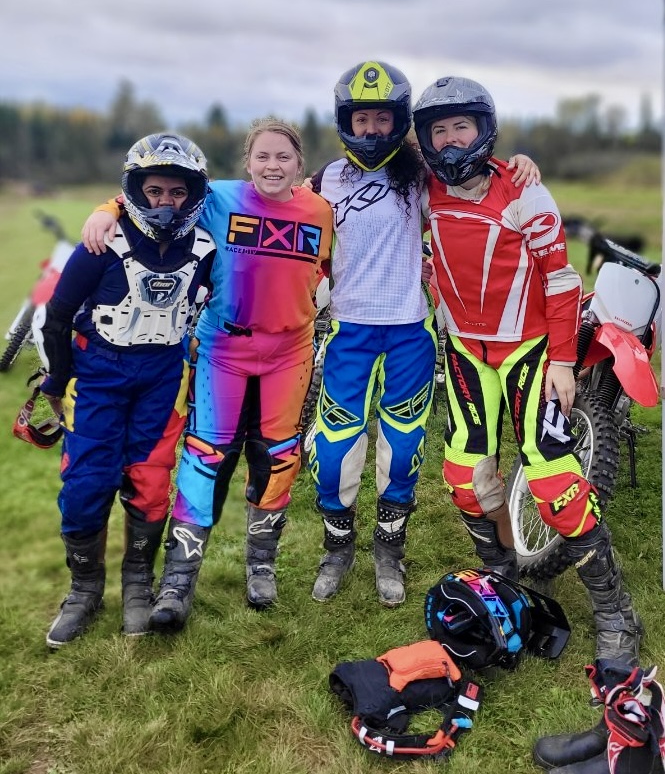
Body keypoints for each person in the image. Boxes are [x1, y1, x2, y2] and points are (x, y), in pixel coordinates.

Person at [412, 77, 641, 671]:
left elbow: (563, 282)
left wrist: (564, 359)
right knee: (464, 476)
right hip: (466, 347)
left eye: (461, 125)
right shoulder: (423, 187)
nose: (450, 138)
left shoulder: (525, 193)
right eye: (438, 129)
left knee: (554, 484)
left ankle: (616, 612)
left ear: (483, 127)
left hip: (530, 350)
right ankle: (502, 578)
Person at [81, 119, 333, 625]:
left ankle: (261, 567)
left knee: (280, 457)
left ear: (299, 165)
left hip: (290, 351)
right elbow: (155, 194)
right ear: (247, 162)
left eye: (283, 157)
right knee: (204, 456)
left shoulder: (320, 211)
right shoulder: (217, 198)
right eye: (262, 156)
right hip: (224, 348)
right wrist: (105, 210)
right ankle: (178, 581)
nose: (272, 166)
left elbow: (327, 268)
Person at [307, 61, 540, 608]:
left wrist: (522, 165)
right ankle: (336, 547)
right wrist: (116, 205)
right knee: (336, 448)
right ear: (345, 121)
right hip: (349, 331)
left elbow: (481, 172)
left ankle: (390, 550)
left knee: (403, 446)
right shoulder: (325, 181)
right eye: (359, 119)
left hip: (411, 330)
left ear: (399, 123)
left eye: (381, 119)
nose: (369, 130)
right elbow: (257, 195)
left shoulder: (422, 175)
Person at [34, 132, 215, 647]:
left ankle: (138, 584)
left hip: (162, 376)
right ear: (134, 189)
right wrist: (55, 380)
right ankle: (84, 590)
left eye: (177, 192)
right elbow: (57, 315)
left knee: (153, 480)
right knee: (87, 481)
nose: (165, 202)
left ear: (193, 194)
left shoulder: (203, 249)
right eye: (154, 190)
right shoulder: (101, 243)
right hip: (99, 375)